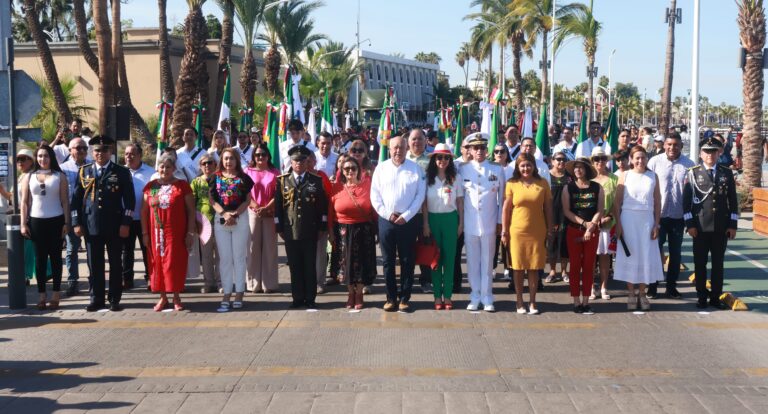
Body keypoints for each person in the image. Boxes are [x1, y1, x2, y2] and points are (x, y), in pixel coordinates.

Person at [71, 135, 135, 312]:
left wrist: (126, 223)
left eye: (104, 150)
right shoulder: (84, 171)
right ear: (92, 152)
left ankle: (114, 298)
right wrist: (76, 222)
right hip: (91, 226)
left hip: (115, 226)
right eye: (97, 150)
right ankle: (96, 298)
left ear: (111, 151)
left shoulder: (121, 172)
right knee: (94, 264)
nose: (100, 153)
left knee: (115, 264)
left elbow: (129, 201)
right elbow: (75, 200)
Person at [370, 135, 426, 312]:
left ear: (406, 148)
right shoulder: (381, 168)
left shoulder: (416, 169)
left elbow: (420, 195)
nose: (398, 151)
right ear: (389, 149)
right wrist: (387, 214)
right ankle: (390, 298)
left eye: (401, 147)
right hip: (387, 220)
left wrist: (407, 215)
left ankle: (404, 298)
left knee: (407, 261)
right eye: (394, 148)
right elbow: (374, 195)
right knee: (387, 261)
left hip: (408, 221)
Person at [684, 137, 739, 310]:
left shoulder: (726, 173)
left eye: (713, 151)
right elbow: (686, 203)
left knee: (718, 264)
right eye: (707, 151)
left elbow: (733, 201)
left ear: (719, 153)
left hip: (721, 227)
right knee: (700, 264)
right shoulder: (692, 173)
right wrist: (690, 225)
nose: (710, 155)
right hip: (699, 227)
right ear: (701, 154)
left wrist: (732, 225)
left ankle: (715, 297)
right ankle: (701, 296)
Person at [141, 153, 196, 311]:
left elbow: (191, 211)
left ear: (173, 168)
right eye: (161, 166)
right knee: (157, 263)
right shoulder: (150, 187)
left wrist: (190, 233)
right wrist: (145, 234)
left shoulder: (182, 186)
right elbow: (144, 211)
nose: (164, 169)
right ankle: (163, 297)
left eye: (168, 167)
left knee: (174, 263)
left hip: (176, 233)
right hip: (156, 233)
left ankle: (176, 297)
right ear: (157, 168)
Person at [275, 145, 328, 309]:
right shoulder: (282, 181)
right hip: (290, 230)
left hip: (310, 230)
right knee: (295, 266)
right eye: (295, 160)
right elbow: (278, 207)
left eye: (302, 160)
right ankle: (297, 298)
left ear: (308, 162)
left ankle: (310, 298)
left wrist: (322, 227)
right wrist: (279, 228)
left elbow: (322, 208)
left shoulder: (316, 181)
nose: (299, 163)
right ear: (290, 161)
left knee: (309, 266)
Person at [613, 146, 664, 311]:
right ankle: (631, 293)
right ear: (631, 159)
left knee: (645, 256)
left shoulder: (652, 176)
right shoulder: (624, 175)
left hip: (647, 221)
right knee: (630, 256)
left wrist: (657, 224)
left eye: (643, 158)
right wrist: (618, 225)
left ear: (647, 159)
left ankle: (642, 293)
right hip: (628, 220)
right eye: (637, 158)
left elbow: (657, 203)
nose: (640, 161)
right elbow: (617, 202)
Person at [501, 153, 553, 315]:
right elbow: (506, 209)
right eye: (522, 165)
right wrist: (504, 231)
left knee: (533, 267)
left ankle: (532, 301)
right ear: (517, 167)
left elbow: (548, 209)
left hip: (537, 231)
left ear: (534, 166)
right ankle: (519, 301)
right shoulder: (512, 183)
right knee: (517, 268)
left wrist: (550, 229)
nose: (526, 168)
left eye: (528, 165)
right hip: (516, 232)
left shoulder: (543, 183)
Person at [646, 133, 695, 299]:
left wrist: (691, 219)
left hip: (678, 217)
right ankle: (652, 286)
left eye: (676, 145)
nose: (672, 148)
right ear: (664, 145)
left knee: (675, 254)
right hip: (657, 216)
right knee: (654, 252)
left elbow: (693, 193)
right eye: (669, 144)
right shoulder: (654, 162)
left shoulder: (689, 165)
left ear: (681, 146)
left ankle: (671, 287)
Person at [20, 146, 69, 310]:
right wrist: (23, 223)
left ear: (51, 157)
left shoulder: (60, 176)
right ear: (36, 158)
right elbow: (25, 202)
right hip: (36, 222)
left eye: (46, 156)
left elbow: (65, 202)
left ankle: (56, 294)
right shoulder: (29, 176)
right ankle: (41, 295)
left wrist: (67, 223)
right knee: (39, 261)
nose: (43, 159)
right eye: (40, 156)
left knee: (56, 259)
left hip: (56, 221)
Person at [459, 133, 504, 312]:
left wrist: (500, 221)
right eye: (475, 147)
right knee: (472, 261)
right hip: (470, 223)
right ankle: (475, 295)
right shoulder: (462, 168)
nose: (479, 151)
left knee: (487, 261)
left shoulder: (497, 169)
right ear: (469, 149)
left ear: (487, 150)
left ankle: (487, 297)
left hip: (489, 222)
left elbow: (503, 198)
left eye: (482, 147)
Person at [329, 155, 377, 309]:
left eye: (353, 168)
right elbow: (330, 212)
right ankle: (350, 293)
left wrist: (377, 229)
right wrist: (330, 232)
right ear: (342, 171)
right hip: (342, 230)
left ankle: (359, 294)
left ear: (359, 170)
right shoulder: (336, 187)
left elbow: (374, 209)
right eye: (346, 168)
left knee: (361, 262)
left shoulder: (368, 185)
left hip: (363, 230)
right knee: (345, 263)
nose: (350, 171)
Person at [209, 148, 253, 312]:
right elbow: (212, 199)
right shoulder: (215, 177)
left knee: (239, 257)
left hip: (240, 220)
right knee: (225, 259)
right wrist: (224, 214)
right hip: (221, 221)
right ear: (222, 160)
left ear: (237, 161)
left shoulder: (244, 178)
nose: (228, 162)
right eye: (226, 159)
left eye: (231, 159)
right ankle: (227, 293)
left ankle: (239, 292)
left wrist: (235, 214)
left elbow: (247, 200)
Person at [422, 144, 464, 310]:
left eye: (446, 157)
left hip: (450, 219)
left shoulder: (455, 178)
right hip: (433, 219)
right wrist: (425, 223)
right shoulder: (427, 178)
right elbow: (424, 204)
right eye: (439, 157)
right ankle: (437, 296)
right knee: (435, 260)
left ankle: (447, 295)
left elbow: (460, 201)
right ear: (434, 159)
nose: (443, 160)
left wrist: (461, 223)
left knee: (450, 259)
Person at [561, 157, 604, 314]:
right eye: (576, 167)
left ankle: (586, 300)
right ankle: (576, 301)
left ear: (587, 170)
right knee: (575, 266)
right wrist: (584, 224)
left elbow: (600, 209)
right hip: (574, 231)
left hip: (592, 232)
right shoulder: (568, 188)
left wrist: (591, 226)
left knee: (588, 266)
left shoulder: (597, 187)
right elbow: (567, 211)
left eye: (581, 167)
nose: (578, 170)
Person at [244, 143, 280, 294]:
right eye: (257, 155)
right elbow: (244, 192)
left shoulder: (275, 172)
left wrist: (267, 207)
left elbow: (279, 194)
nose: (260, 157)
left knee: (270, 247)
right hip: (252, 211)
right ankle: (253, 283)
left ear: (268, 157)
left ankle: (269, 284)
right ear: (253, 157)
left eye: (263, 155)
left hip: (270, 212)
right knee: (252, 248)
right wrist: (256, 206)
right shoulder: (247, 171)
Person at [59, 138, 91, 296]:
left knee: (93, 249)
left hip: (91, 214)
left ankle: (94, 280)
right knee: (72, 250)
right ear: (70, 150)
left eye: (84, 148)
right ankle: (72, 283)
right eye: (78, 148)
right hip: (72, 214)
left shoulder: (92, 166)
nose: (82, 151)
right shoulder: (63, 169)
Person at [122, 143, 155, 290]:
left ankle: (150, 278)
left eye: (132, 153)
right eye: (126, 153)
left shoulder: (150, 172)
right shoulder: (120, 171)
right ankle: (127, 279)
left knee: (147, 249)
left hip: (145, 219)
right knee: (126, 250)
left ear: (140, 155)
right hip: (125, 218)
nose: (129, 156)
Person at [189, 154, 221, 293]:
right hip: (203, 223)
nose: (207, 166)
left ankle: (221, 282)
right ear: (201, 166)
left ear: (215, 165)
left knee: (221, 254)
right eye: (204, 164)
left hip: (220, 221)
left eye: (210, 163)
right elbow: (191, 202)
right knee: (206, 254)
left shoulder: (221, 180)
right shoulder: (196, 182)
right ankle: (209, 282)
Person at [406, 128, 433, 293]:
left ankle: (426, 281)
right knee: (406, 249)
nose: (416, 142)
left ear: (425, 141)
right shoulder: (402, 159)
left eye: (420, 139)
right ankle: (407, 280)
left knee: (426, 247)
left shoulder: (430, 162)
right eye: (413, 139)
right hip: (407, 213)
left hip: (425, 212)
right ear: (408, 142)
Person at [591, 147, 618, 300]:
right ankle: (590, 287)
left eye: (603, 158)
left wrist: (610, 217)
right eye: (596, 159)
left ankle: (603, 287)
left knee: (604, 257)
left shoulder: (614, 179)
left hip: (608, 224)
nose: (600, 162)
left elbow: (617, 203)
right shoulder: (588, 179)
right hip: (590, 224)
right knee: (589, 258)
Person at [545, 150, 571, 284]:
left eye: (563, 160)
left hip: (567, 215)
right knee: (552, 243)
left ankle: (564, 271)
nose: (561, 162)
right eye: (558, 159)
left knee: (565, 243)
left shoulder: (570, 176)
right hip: (552, 214)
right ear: (552, 161)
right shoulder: (547, 176)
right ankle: (552, 271)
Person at [492, 143, 514, 282]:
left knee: (507, 241)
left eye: (502, 151)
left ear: (507, 153)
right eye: (496, 151)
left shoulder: (512, 169)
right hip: (492, 209)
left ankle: (508, 268)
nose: (499, 154)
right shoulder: (489, 167)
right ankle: (493, 268)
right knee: (494, 241)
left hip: (509, 209)